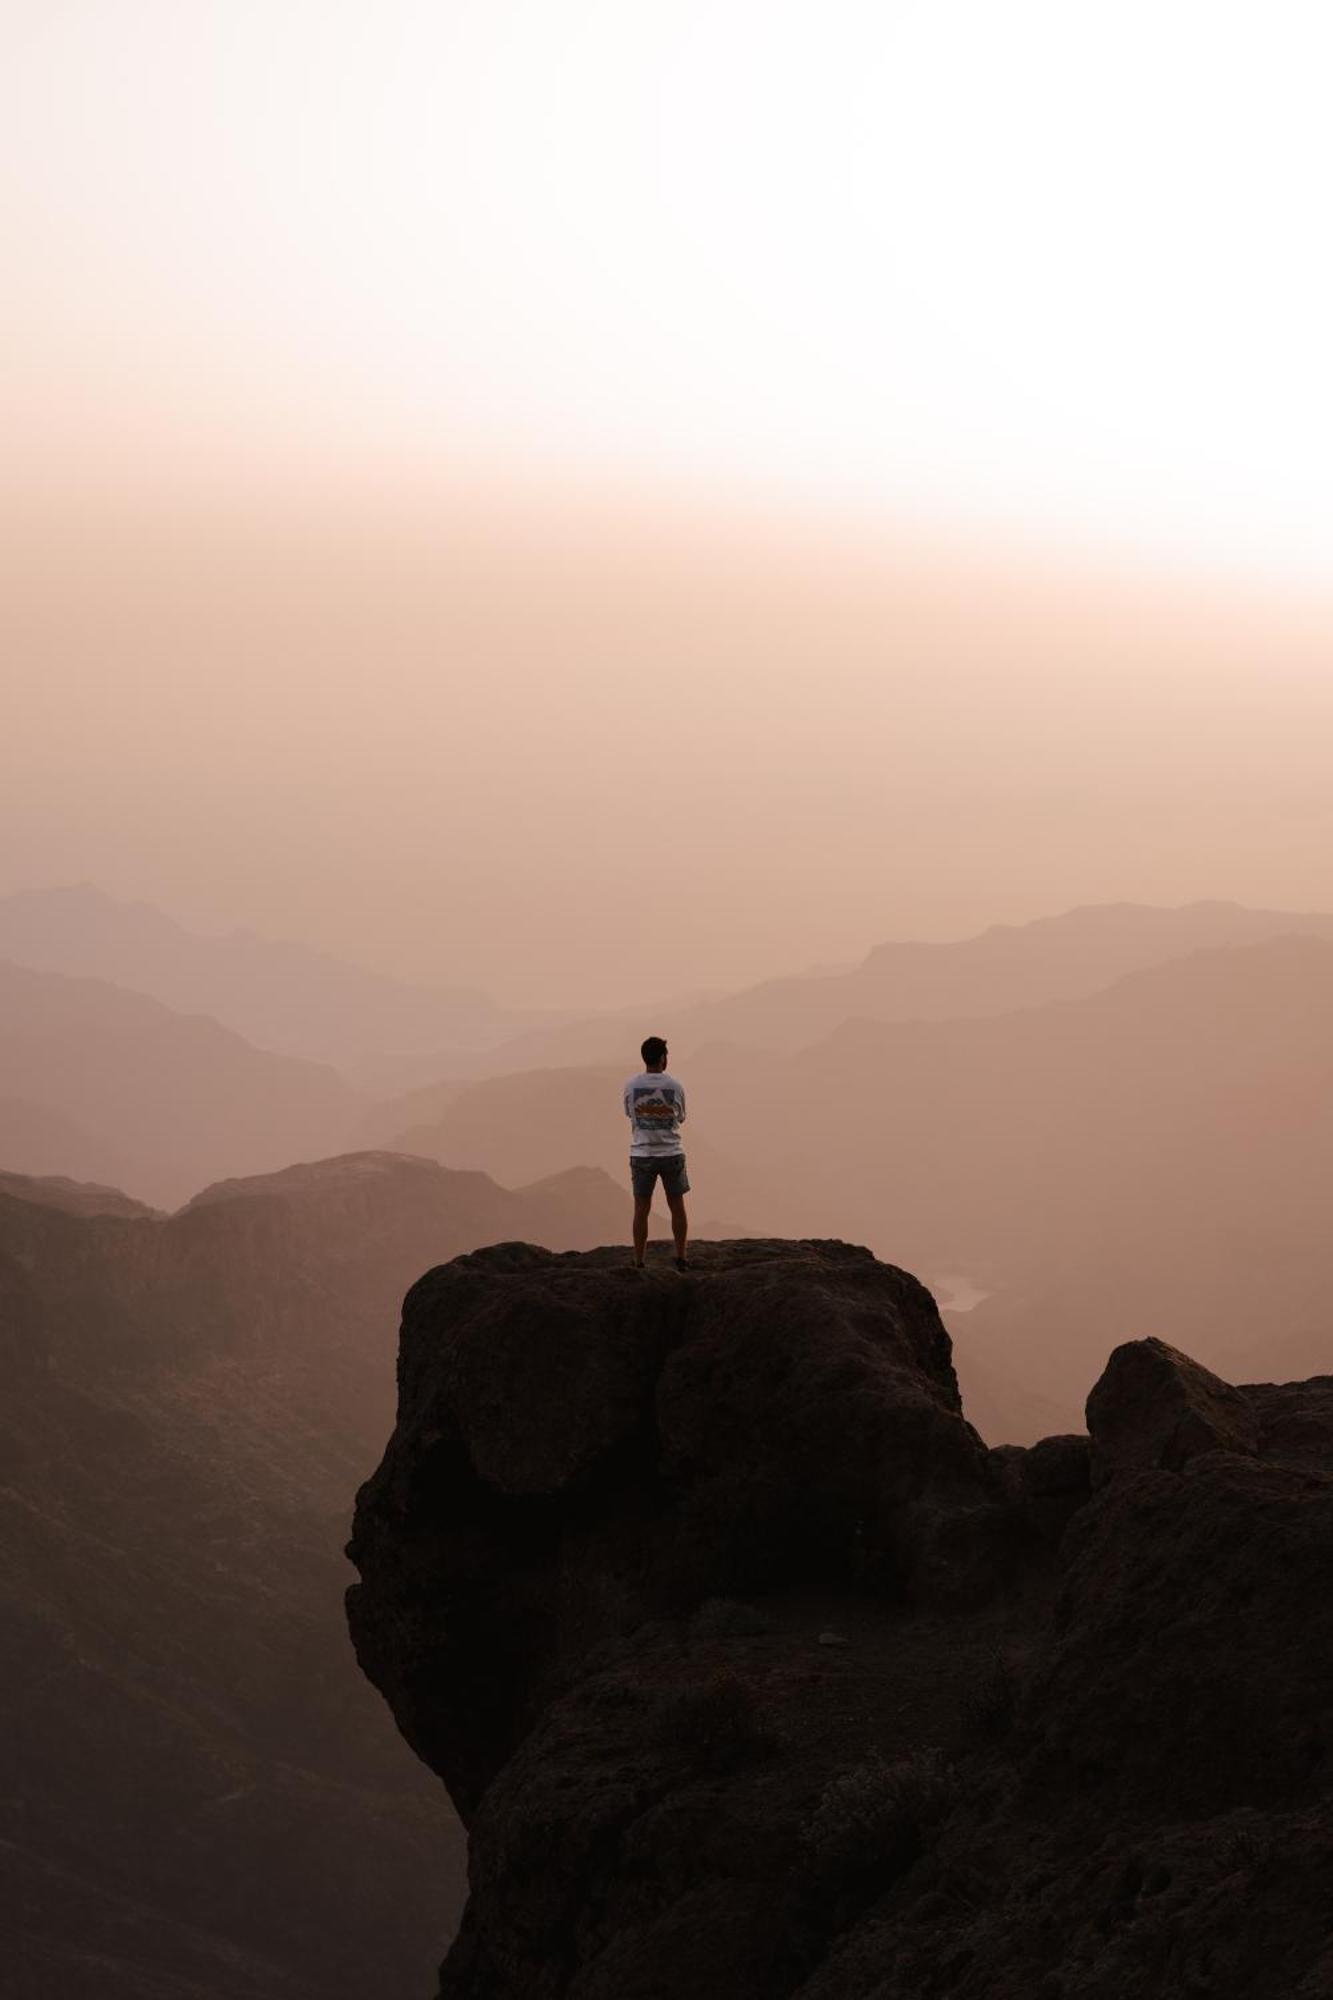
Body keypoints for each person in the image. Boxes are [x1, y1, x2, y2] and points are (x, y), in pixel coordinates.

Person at [623, 1035, 689, 1270]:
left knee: (641, 1209)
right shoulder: (675, 1086)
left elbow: (630, 1114)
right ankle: (681, 1257)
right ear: (663, 1058)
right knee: (677, 1205)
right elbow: (681, 1117)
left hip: (642, 1154)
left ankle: (639, 1260)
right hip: (671, 1152)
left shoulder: (631, 1086)